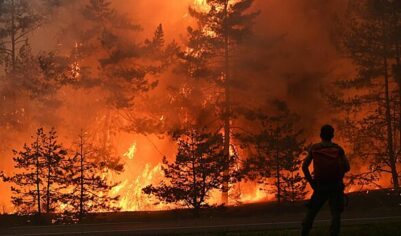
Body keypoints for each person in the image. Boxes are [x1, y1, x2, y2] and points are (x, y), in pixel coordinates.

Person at [301, 124, 350, 236]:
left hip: (320, 186)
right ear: (332, 135)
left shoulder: (315, 148)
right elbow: (347, 167)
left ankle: (304, 232)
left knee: (312, 212)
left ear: (320, 135)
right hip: (336, 186)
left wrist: (312, 183)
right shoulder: (338, 149)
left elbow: (304, 167)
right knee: (336, 214)